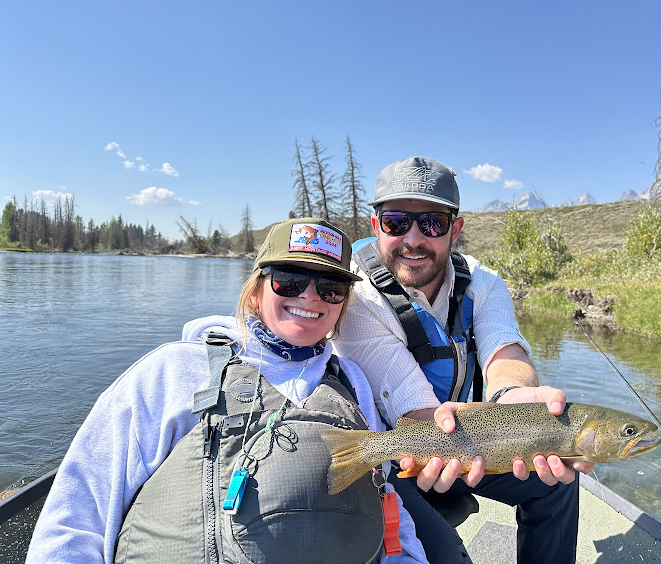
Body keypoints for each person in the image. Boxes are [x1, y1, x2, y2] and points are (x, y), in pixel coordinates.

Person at [27, 218, 428, 564]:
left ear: (342, 303)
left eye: (332, 287)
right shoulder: (173, 369)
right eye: (289, 280)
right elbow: (81, 508)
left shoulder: (354, 382)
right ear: (256, 290)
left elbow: (383, 494)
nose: (310, 296)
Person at [332, 157, 595, 563]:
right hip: (391, 457)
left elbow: (504, 352)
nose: (413, 239)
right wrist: (452, 441)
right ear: (376, 225)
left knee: (559, 480)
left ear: (455, 228)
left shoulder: (483, 283)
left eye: (433, 222)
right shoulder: (356, 296)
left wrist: (513, 397)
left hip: (464, 445)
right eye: (396, 222)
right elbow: (410, 398)